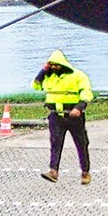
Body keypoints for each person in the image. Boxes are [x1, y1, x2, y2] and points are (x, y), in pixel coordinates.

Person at [33, 50, 95, 185]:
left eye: (56, 65)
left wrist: (79, 107)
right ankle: (53, 171)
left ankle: (85, 172)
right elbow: (36, 85)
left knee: (81, 143)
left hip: (74, 116)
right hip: (55, 115)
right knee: (55, 143)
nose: (54, 68)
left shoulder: (78, 76)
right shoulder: (49, 77)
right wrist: (43, 71)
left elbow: (87, 93)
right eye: (51, 65)